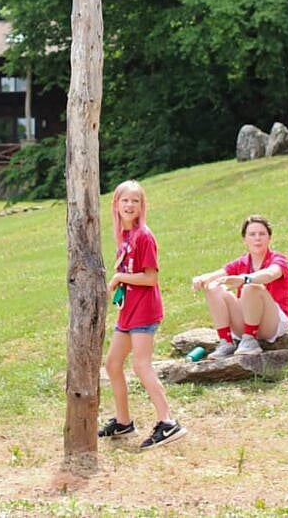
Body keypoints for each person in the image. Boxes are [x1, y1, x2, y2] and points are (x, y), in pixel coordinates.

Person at [99, 180, 187, 450]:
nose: (129, 205)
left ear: (142, 206)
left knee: (141, 365)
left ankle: (168, 422)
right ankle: (124, 422)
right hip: (128, 311)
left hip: (144, 310)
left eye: (135, 201)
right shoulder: (124, 237)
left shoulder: (144, 236)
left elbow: (150, 278)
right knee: (113, 364)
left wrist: (118, 278)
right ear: (116, 204)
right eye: (125, 200)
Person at [191, 215, 288, 359]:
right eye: (252, 234)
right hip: (246, 321)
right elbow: (218, 274)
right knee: (213, 287)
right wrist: (202, 278)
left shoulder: (277, 259)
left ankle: (250, 341)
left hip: (273, 323)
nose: (257, 238)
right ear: (245, 239)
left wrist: (244, 279)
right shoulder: (242, 262)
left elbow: (270, 274)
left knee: (251, 286)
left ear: (269, 237)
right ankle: (226, 342)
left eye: (262, 234)